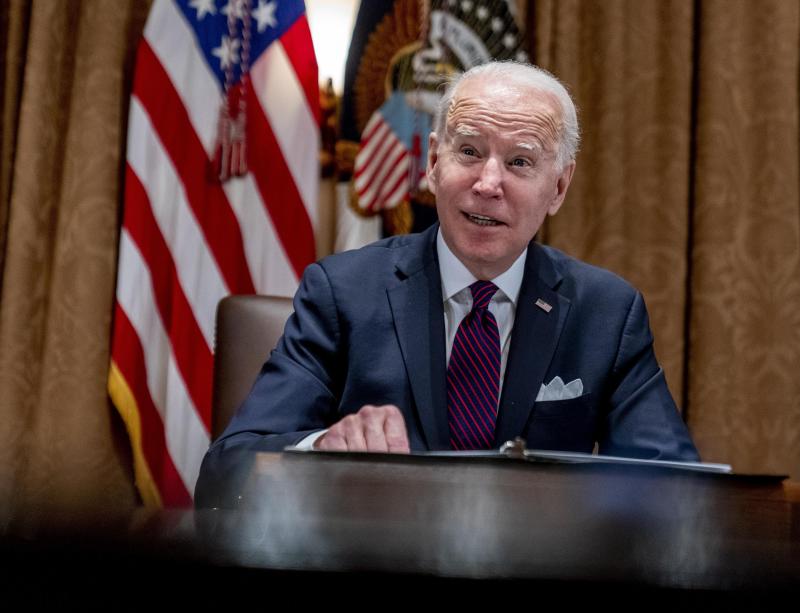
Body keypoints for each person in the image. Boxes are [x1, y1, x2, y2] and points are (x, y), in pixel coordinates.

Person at [195, 61, 699, 506]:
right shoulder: (342, 293)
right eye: (470, 152)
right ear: (435, 162)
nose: (487, 183)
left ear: (559, 187)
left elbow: (678, 490)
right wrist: (320, 448)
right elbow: (226, 471)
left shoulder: (606, 313)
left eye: (520, 161)